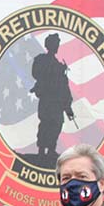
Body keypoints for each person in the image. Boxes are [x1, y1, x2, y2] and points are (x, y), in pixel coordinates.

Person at [31, 33, 74, 161]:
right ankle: (41, 151)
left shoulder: (57, 65)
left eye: (57, 44)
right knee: (46, 124)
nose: (57, 46)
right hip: (47, 100)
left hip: (57, 102)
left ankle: (50, 150)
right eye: (55, 44)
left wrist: (68, 109)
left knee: (56, 125)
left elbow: (64, 88)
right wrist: (56, 70)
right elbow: (37, 73)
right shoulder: (42, 60)